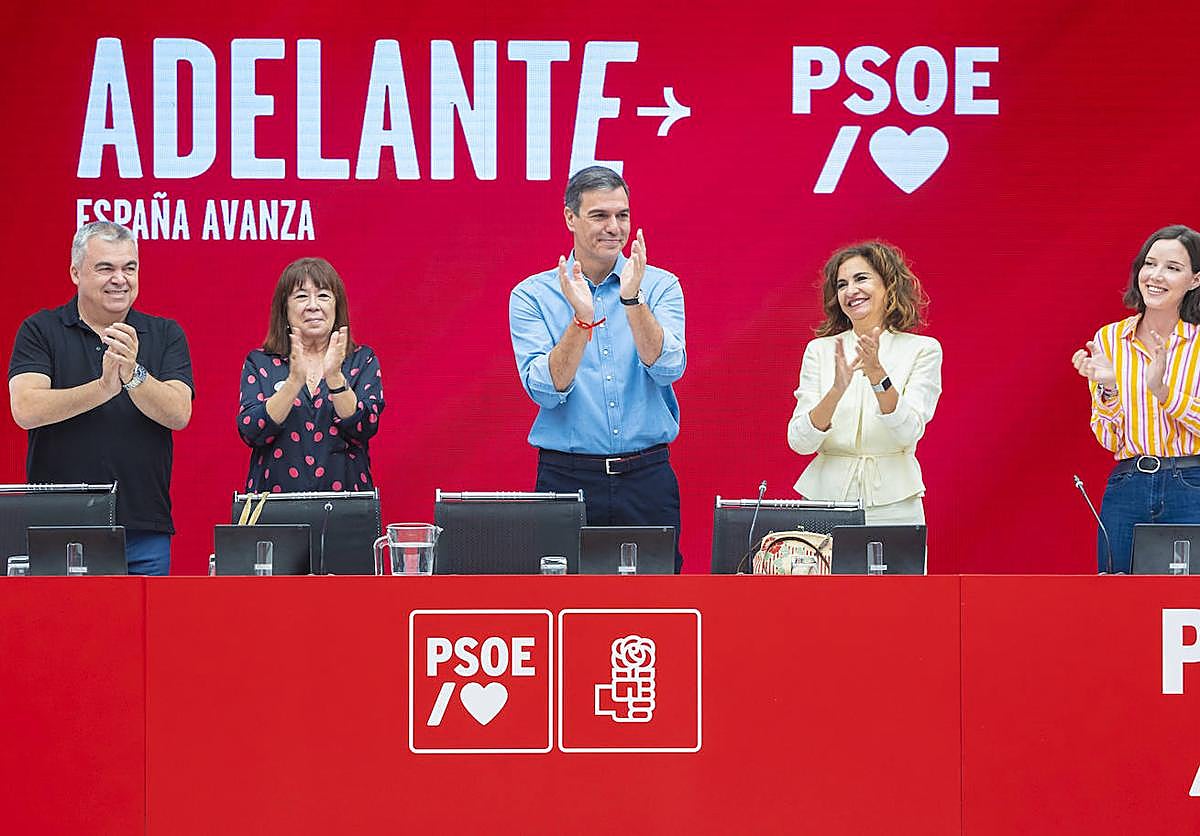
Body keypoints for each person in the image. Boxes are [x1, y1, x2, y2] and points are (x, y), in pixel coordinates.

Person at [509, 165, 687, 572]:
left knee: (656, 606)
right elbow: (546, 389)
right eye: (599, 216)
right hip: (566, 478)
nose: (614, 227)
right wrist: (581, 320)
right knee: (562, 606)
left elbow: (668, 367)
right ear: (570, 218)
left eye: (622, 215)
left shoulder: (659, 285)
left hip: (647, 476)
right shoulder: (532, 294)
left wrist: (632, 301)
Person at [7, 222, 194, 575]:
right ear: (75, 272)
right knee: (64, 630)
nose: (120, 279)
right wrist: (103, 389)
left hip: (143, 527)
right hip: (59, 525)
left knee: (144, 631)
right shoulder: (41, 329)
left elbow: (179, 413)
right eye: (105, 268)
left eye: (130, 268)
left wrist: (133, 375)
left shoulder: (165, 333)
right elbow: (26, 409)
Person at [1072, 224, 1200, 574]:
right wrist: (1110, 389)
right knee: (1116, 595)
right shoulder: (1110, 339)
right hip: (1129, 481)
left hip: (1192, 482)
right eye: (1150, 263)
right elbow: (1108, 438)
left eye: (1173, 268)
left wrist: (1163, 392)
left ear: (1195, 280)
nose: (1156, 276)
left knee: (1188, 600)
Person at [787, 241, 942, 525]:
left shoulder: (922, 349)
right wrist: (836, 391)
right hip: (824, 502)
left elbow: (908, 432)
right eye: (841, 284)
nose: (851, 291)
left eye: (861, 279)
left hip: (896, 504)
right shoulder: (820, 350)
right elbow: (799, 442)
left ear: (888, 286)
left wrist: (878, 377)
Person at [237, 257, 384, 493]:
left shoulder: (362, 359)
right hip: (276, 508)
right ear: (284, 309)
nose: (313, 305)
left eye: (324, 296)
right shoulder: (260, 361)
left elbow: (365, 428)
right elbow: (252, 431)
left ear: (337, 307)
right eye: (301, 296)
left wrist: (335, 378)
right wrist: (294, 382)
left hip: (346, 507)